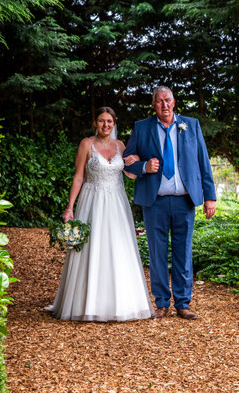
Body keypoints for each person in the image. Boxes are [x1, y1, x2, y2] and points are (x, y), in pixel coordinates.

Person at [46, 107, 154, 322]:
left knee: (118, 247)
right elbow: (78, 177)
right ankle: (86, 302)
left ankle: (121, 302)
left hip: (117, 202)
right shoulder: (87, 144)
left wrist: (141, 163)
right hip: (92, 200)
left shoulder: (121, 146)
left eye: (110, 121)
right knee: (91, 247)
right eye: (102, 121)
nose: (106, 125)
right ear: (95, 123)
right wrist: (70, 207)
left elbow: (131, 174)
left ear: (114, 124)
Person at [123, 86, 216, 320]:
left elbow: (203, 162)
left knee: (183, 253)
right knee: (157, 253)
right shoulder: (141, 128)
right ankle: (162, 303)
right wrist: (144, 166)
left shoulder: (191, 125)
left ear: (174, 103)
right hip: (155, 202)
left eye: (167, 100)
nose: (164, 105)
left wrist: (210, 197)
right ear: (153, 105)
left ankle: (183, 303)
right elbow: (126, 162)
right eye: (159, 101)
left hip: (185, 201)